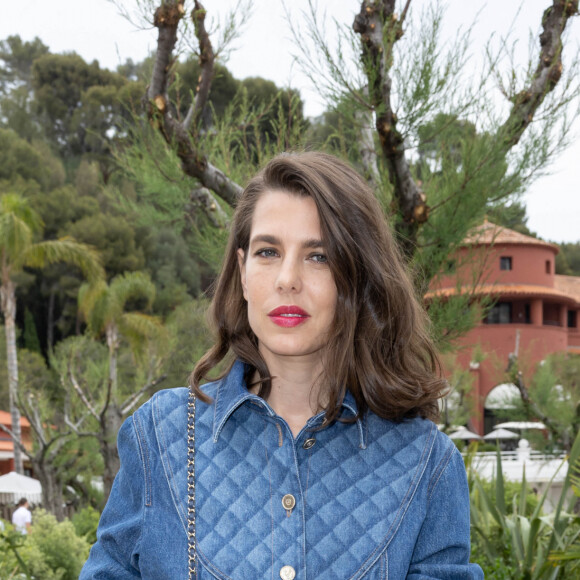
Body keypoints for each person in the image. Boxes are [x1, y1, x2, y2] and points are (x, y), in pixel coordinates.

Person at [81, 152, 483, 579]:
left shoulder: (425, 462)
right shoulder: (158, 438)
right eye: (268, 251)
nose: (287, 279)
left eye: (318, 256)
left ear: (357, 276)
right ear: (242, 271)